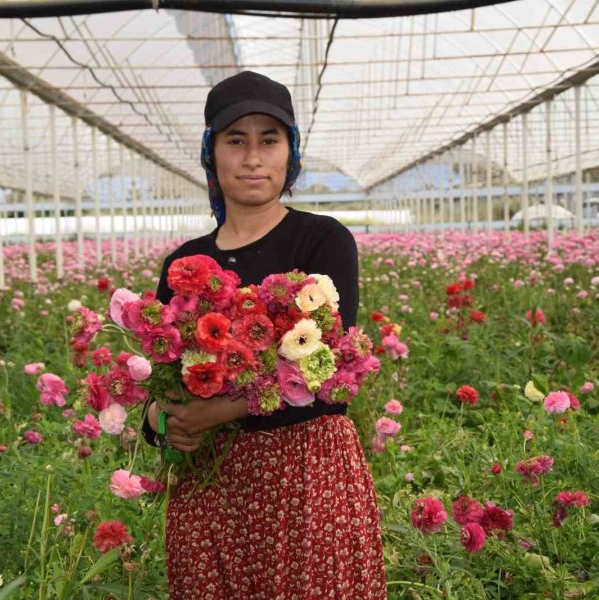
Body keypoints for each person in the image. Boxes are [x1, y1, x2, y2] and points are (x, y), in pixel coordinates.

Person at [141, 71, 386, 599]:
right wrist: (165, 421)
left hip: (304, 479)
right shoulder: (184, 263)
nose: (253, 157)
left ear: (290, 154)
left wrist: (215, 412)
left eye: (269, 140)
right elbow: (159, 380)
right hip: (210, 486)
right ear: (211, 154)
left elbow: (328, 370)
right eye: (236, 140)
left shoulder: (322, 240)